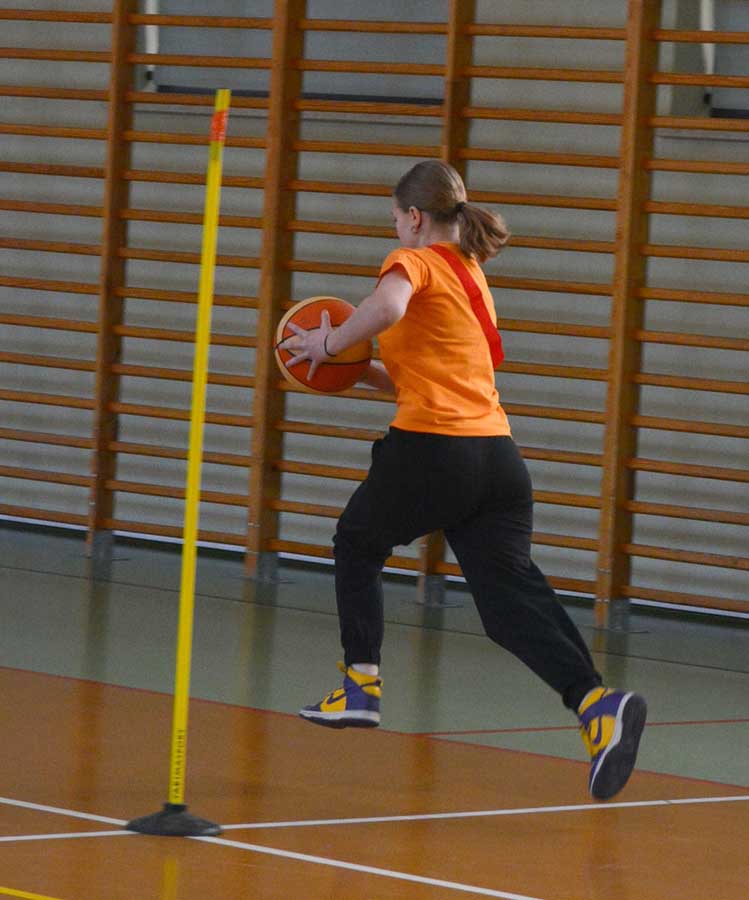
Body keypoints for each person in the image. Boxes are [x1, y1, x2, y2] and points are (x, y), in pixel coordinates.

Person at [282, 160, 647, 801]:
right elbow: (431, 376)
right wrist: (355, 371)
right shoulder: (472, 275)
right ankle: (596, 704)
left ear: (414, 217)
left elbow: (386, 307)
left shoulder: (414, 262)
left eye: (396, 218)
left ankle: (360, 685)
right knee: (508, 603)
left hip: (435, 450)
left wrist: (329, 344)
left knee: (356, 543)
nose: (395, 229)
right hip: (498, 461)